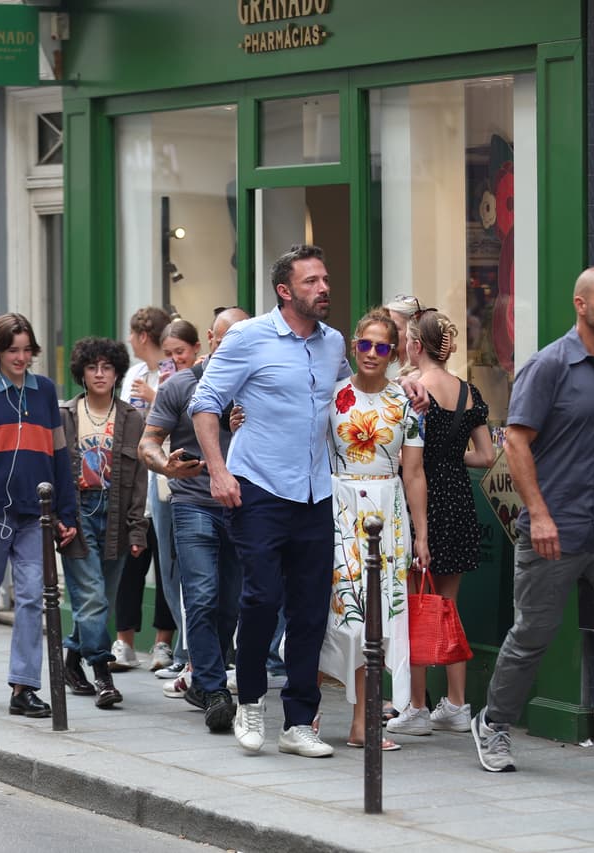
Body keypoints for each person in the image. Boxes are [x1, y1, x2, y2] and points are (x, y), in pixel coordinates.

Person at [468, 267, 594, 788]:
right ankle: (493, 723)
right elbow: (515, 443)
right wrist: (537, 514)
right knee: (533, 634)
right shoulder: (550, 366)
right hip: (552, 527)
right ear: (581, 305)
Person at [189, 243, 351, 758]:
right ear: (285, 290)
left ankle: (299, 721)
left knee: (309, 610)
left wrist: (404, 387)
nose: (323, 288)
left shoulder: (334, 343)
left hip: (315, 489)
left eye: (325, 279)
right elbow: (205, 403)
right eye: (310, 282)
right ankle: (252, 699)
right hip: (256, 485)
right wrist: (218, 471)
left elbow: (350, 399)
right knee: (261, 597)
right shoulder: (247, 337)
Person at [0, 313, 77, 719]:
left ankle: (24, 687)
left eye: (26, 350)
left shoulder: (45, 394)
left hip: (33, 515)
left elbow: (60, 457)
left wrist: (65, 512)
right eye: (12, 350)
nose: (21, 357)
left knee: (31, 599)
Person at [319, 307, 430, 750]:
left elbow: (415, 473)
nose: (372, 353)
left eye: (382, 347)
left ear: (392, 352)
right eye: (364, 344)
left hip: (388, 512)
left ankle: (363, 723)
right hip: (338, 507)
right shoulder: (330, 396)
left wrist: (422, 534)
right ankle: (304, 713)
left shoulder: (408, 403)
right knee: (338, 612)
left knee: (375, 621)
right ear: (353, 346)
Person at [140, 307, 250, 732]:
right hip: (193, 504)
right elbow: (149, 442)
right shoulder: (181, 384)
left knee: (231, 605)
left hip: (242, 506)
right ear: (210, 337)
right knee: (201, 597)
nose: (233, 347)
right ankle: (213, 688)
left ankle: (203, 680)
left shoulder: (255, 384)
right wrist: (165, 466)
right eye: (226, 339)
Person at [386, 308, 494, 738]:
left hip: (423, 501)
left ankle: (415, 706)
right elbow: (486, 456)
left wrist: (429, 460)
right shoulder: (468, 391)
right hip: (458, 500)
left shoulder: (410, 391)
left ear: (414, 345)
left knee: (415, 606)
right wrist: (452, 458)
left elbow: (404, 457)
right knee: (447, 605)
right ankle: (456, 703)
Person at [57, 337, 147, 711]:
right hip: (77, 514)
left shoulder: (131, 418)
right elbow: (55, 471)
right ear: (81, 371)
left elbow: (141, 478)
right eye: (92, 367)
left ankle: (71, 662)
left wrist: (138, 528)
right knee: (91, 597)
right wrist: (57, 520)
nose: (99, 373)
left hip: (117, 517)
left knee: (100, 601)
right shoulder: (63, 415)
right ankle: (102, 675)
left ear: (116, 373)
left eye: (106, 367)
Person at [112, 305, 179, 672]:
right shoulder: (135, 373)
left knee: (167, 563)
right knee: (132, 563)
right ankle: (123, 641)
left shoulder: (172, 376)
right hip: (136, 481)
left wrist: (155, 397)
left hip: (168, 480)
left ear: (141, 336)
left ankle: (163, 644)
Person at [145, 318, 203, 685]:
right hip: (162, 479)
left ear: (197, 348)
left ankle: (194, 657)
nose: (173, 361)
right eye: (166, 356)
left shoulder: (202, 379)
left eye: (179, 353)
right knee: (168, 567)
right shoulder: (163, 382)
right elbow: (148, 438)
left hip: (194, 484)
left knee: (197, 575)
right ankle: (185, 652)